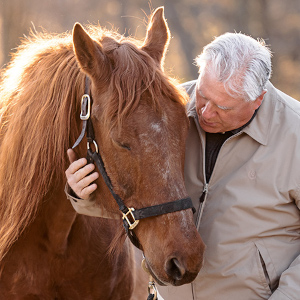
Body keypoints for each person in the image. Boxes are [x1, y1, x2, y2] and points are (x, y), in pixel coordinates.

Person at [65, 32, 300, 300]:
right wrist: (84, 193)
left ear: (258, 99)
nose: (205, 112)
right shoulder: (167, 108)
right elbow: (140, 197)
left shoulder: (295, 136)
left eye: (223, 106)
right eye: (203, 95)